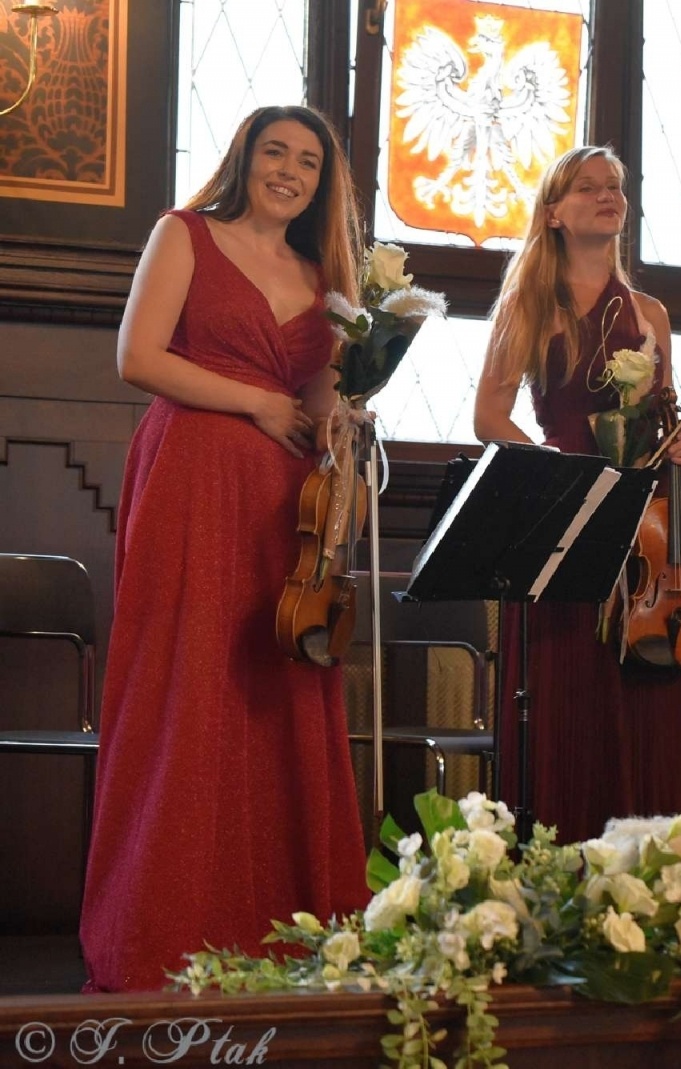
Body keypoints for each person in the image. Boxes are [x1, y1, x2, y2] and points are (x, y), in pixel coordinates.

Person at [80, 105, 370, 991]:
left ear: (324, 183)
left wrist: (346, 413)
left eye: (308, 162)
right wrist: (251, 402)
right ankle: (163, 921)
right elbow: (136, 358)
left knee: (272, 688)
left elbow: (317, 399)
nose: (289, 170)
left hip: (284, 506)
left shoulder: (326, 276)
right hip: (191, 482)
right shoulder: (185, 234)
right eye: (275, 152)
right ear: (244, 158)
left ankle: (276, 921)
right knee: (186, 683)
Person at [474, 145, 681, 842]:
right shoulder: (530, 303)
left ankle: (649, 861)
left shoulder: (650, 312)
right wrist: (552, 471)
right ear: (555, 213)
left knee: (639, 691)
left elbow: (664, 412)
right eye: (590, 187)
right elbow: (488, 415)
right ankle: (564, 856)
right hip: (562, 510)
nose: (609, 196)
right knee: (569, 691)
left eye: (617, 187)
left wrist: (677, 440)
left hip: (641, 524)